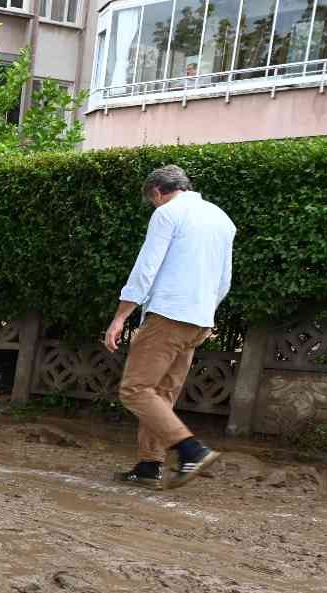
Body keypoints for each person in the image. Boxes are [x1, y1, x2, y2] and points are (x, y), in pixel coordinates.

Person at [104, 164, 234, 489]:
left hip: (169, 315)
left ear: (158, 192)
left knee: (134, 389)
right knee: (161, 394)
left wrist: (120, 316)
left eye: (153, 201)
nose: (154, 206)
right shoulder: (222, 218)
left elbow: (146, 268)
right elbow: (224, 281)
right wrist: (206, 312)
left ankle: (192, 450)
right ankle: (149, 465)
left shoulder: (168, 213)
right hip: (201, 319)